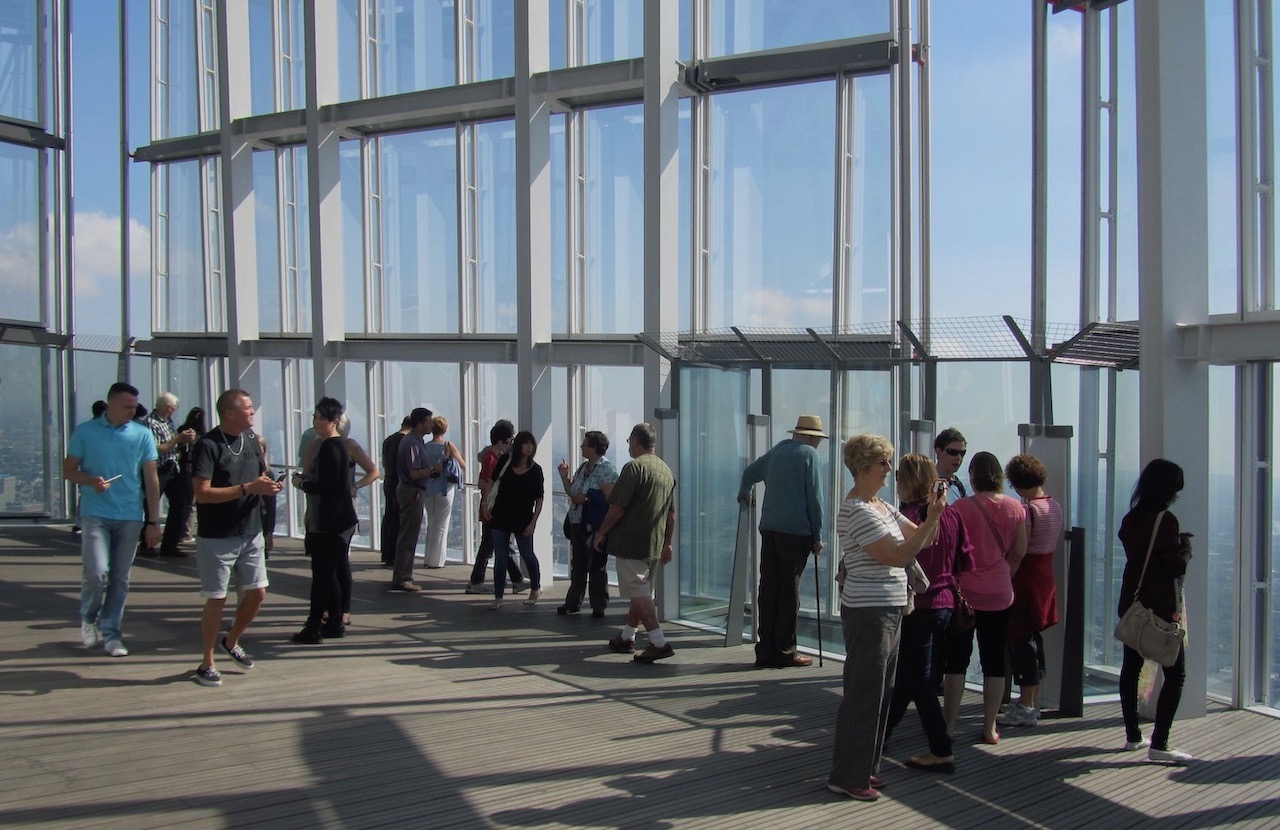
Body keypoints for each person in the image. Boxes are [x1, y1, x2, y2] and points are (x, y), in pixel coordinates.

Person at [826, 435, 943, 802]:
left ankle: (866, 768)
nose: (889, 469)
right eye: (883, 463)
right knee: (864, 693)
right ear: (863, 466)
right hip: (868, 611)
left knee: (882, 693)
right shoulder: (857, 511)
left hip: (891, 609)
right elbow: (895, 554)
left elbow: (923, 541)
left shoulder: (882, 506)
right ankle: (847, 775)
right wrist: (931, 519)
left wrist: (934, 514)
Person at [882, 453, 973, 773]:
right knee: (910, 677)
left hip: (917, 606)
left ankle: (940, 747)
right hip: (945, 604)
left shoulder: (907, 518)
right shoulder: (951, 516)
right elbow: (966, 561)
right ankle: (880, 736)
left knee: (917, 679)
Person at [190, 389, 283, 687]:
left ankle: (231, 640)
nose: (253, 411)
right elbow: (202, 494)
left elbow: (259, 475)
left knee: (257, 593)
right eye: (247, 407)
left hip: (251, 529)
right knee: (217, 598)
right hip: (217, 535)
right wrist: (247, 489)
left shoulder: (253, 440)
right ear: (229, 413)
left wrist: (268, 486)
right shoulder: (207, 446)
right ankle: (207, 662)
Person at [63, 382, 163, 658]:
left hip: (130, 515)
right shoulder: (86, 432)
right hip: (96, 512)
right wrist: (90, 480)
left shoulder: (142, 435)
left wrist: (153, 521)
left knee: (120, 578)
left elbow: (151, 479)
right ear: (111, 405)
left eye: (134, 406)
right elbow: (69, 470)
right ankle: (89, 617)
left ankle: (112, 633)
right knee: (96, 571)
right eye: (127, 406)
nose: (133, 411)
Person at [942, 451, 1027, 745]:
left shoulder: (961, 508)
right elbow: (1018, 553)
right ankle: (989, 726)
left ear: (974, 475)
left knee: (956, 661)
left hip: (965, 592)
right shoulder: (1017, 509)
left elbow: (951, 550)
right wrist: (1003, 574)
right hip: (1000, 592)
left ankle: (949, 725)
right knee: (994, 661)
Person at [1117, 459, 1194, 764]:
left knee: (1131, 668)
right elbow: (1173, 566)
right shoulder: (1166, 520)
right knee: (1176, 672)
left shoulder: (1132, 518)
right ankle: (1160, 743)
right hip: (1160, 607)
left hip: (1133, 603)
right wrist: (1185, 550)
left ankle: (1133, 735)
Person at [737, 414, 828, 669]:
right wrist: (818, 536)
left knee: (769, 590)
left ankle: (764, 651)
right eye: (818, 439)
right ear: (811, 437)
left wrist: (745, 492)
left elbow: (750, 472)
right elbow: (815, 499)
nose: (818, 443)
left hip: (769, 529)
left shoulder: (778, 450)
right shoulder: (810, 455)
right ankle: (785, 652)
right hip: (796, 533)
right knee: (789, 594)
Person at [595, 423, 677, 664]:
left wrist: (602, 533)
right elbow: (671, 514)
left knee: (639, 592)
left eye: (629, 441)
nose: (628, 445)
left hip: (632, 542)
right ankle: (627, 636)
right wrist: (667, 543)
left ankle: (659, 642)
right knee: (640, 591)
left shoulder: (634, 468)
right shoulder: (666, 471)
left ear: (635, 441)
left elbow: (618, 507)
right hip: (654, 543)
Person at [997, 454, 1064, 729]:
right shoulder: (1054, 506)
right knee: (1034, 638)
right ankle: (1031, 702)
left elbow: (1020, 549)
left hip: (1025, 576)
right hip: (1044, 575)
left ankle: (1025, 704)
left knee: (1021, 640)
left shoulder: (1027, 512)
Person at [290, 398, 360, 644]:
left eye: (320, 418)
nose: (316, 422)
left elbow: (326, 486)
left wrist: (301, 483)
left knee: (322, 574)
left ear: (333, 421)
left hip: (329, 520)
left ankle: (314, 626)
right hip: (338, 520)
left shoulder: (329, 448)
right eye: (315, 417)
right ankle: (334, 621)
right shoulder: (340, 446)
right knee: (330, 573)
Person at [557, 430, 619, 617]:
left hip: (594, 523)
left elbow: (611, 498)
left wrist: (587, 500)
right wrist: (564, 477)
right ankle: (573, 601)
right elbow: (574, 493)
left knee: (597, 564)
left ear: (593, 447)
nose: (582, 447)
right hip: (578, 521)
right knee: (579, 564)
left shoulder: (606, 470)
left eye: (585, 444)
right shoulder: (583, 468)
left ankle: (598, 604)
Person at [487, 430, 545, 610]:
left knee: (527, 554)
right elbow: (491, 481)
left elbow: (539, 499)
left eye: (531, 444)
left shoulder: (535, 470)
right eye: (526, 443)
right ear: (518, 445)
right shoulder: (505, 462)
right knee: (501, 557)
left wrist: (533, 522)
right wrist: (484, 504)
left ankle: (535, 588)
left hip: (523, 518)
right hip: (500, 515)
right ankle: (498, 596)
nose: (529, 447)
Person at [467, 420, 526, 594]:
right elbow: (485, 483)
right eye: (508, 443)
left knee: (497, 544)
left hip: (492, 508)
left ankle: (516, 580)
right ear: (501, 442)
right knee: (491, 546)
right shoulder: (492, 459)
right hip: (493, 509)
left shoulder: (491, 457)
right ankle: (477, 581)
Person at [145, 392, 198, 558]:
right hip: (158, 468)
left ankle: (170, 543)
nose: (174, 411)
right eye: (173, 408)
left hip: (172, 467)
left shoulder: (167, 422)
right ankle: (148, 542)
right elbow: (155, 448)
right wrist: (177, 439)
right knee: (150, 504)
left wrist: (183, 440)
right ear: (168, 408)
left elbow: (170, 444)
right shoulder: (151, 423)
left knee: (181, 503)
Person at [391, 407, 434, 592]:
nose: (431, 424)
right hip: (412, 491)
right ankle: (403, 577)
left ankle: (403, 575)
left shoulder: (415, 442)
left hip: (412, 490)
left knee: (408, 533)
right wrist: (433, 470)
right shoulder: (412, 444)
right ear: (419, 425)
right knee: (409, 534)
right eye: (428, 421)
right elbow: (414, 472)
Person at [421, 416, 466, 568]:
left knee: (431, 523)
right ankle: (437, 560)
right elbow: (462, 465)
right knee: (442, 525)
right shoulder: (448, 445)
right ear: (445, 430)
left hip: (428, 488)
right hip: (444, 489)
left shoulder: (425, 446)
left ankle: (428, 558)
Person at [380, 417, 411, 566]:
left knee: (389, 515)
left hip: (389, 479)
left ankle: (386, 551)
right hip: (400, 482)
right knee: (398, 518)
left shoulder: (389, 440)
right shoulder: (406, 441)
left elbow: (385, 462)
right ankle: (394, 553)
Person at [176, 406, 207, 541]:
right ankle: (186, 531)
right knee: (191, 501)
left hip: (182, 467)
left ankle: (183, 530)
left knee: (185, 501)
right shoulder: (201, 436)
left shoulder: (182, 431)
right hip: (192, 467)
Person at [934, 427, 968, 504]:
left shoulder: (958, 485)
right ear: (939, 452)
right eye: (952, 452)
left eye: (962, 453)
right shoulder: (927, 483)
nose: (958, 458)